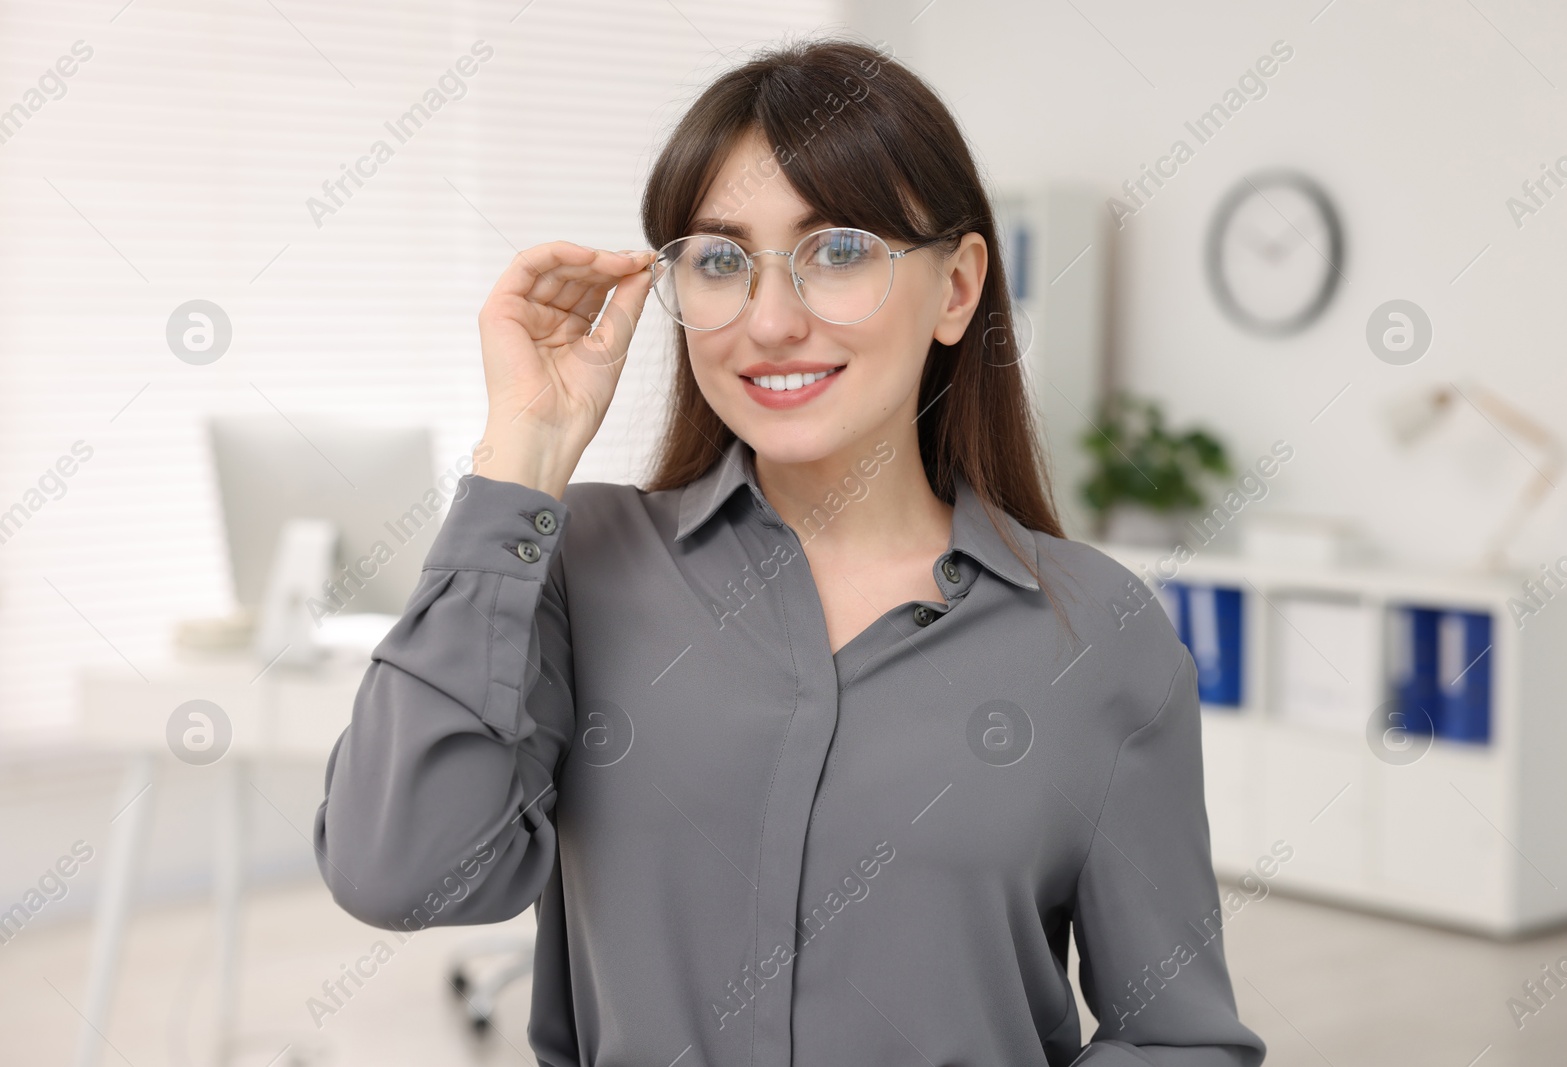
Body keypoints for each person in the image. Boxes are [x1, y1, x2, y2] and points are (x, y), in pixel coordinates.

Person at [313, 34, 1266, 1067]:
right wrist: (521, 453)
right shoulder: (579, 564)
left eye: (841, 249)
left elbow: (1180, 1038)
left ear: (956, 290)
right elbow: (400, 871)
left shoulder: (1099, 631)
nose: (769, 320)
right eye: (720, 260)